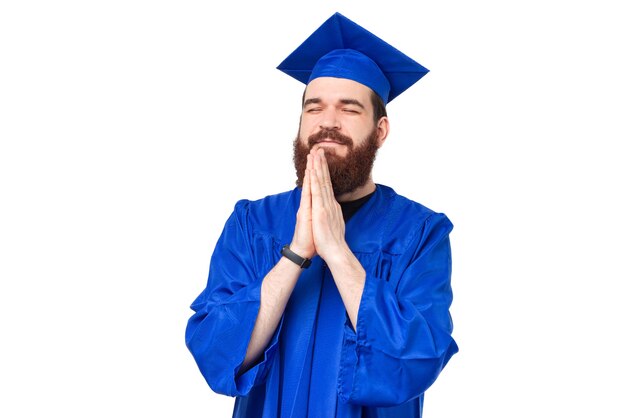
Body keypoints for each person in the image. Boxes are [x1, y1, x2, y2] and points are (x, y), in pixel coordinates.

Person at [185, 12, 458, 418]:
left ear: (380, 130)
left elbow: (414, 361)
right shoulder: (251, 223)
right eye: (314, 108)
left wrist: (337, 251)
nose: (327, 123)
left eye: (349, 109)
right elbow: (216, 352)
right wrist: (296, 253)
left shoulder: (420, 234)